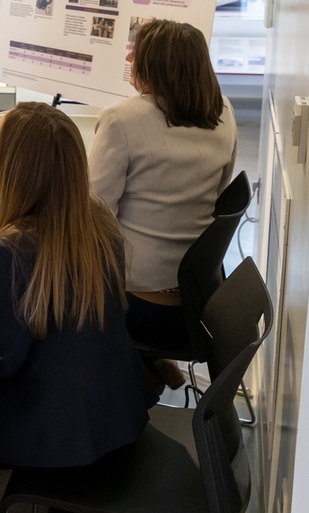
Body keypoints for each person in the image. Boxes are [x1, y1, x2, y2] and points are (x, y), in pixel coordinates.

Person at [0, 102, 157, 513]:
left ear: (15, 167)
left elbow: (3, 362)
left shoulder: (13, 247)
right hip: (113, 411)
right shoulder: (97, 222)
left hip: (56, 432)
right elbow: (55, 317)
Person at [88, 19, 237, 371]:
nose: (127, 57)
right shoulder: (223, 112)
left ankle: (123, 388)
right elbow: (219, 196)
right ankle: (155, 370)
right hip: (197, 300)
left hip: (139, 306)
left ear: (154, 65)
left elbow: (94, 215)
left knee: (54, 295)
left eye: (135, 53)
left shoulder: (120, 120)